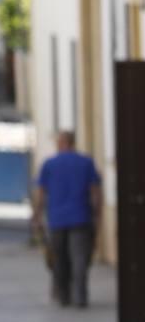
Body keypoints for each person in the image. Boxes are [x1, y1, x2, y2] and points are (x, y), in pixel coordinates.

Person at [33, 131, 102, 308]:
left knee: (59, 258)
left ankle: (64, 296)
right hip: (81, 217)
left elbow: (41, 193)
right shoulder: (86, 162)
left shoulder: (49, 164)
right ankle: (80, 297)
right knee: (79, 259)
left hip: (57, 219)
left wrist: (37, 215)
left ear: (62, 143)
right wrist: (97, 214)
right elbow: (95, 191)